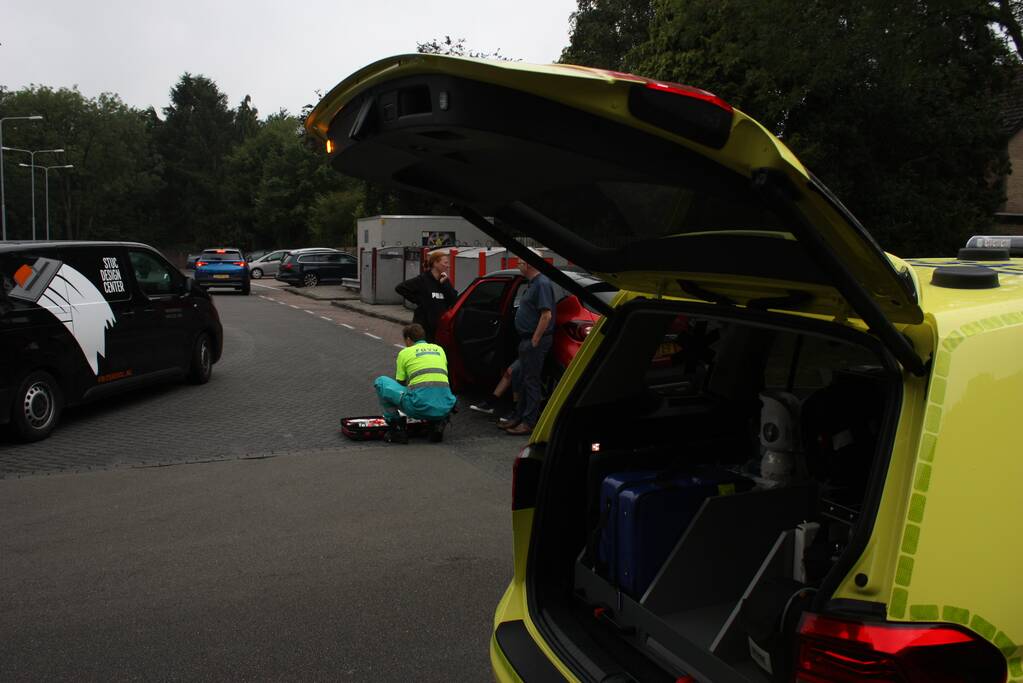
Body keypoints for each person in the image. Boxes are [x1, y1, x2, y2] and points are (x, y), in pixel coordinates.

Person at [373, 323, 457, 444]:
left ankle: (397, 430)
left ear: (408, 339)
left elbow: (400, 382)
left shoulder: (405, 353)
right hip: (445, 407)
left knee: (381, 382)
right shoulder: (439, 349)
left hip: (418, 407)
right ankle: (437, 424)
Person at [498, 259, 555, 436]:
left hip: (534, 340)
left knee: (531, 381)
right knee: (522, 378)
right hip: (526, 339)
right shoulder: (532, 284)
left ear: (529, 265)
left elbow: (546, 315)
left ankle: (529, 422)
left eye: (521, 262)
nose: (518, 265)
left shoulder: (542, 284)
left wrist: (535, 339)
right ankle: (519, 417)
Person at [395, 250, 458, 343]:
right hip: (424, 327)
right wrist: (419, 301)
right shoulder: (423, 280)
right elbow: (400, 288)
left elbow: (454, 299)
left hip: (440, 327)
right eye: (445, 262)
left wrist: (445, 284)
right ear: (436, 263)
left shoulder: (445, 280)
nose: (448, 265)